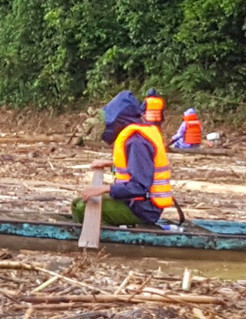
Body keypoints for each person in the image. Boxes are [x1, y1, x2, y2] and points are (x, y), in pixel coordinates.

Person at [74, 90, 176, 227]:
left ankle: (105, 241)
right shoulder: (136, 137)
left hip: (142, 208)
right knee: (77, 202)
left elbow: (140, 186)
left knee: (82, 207)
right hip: (136, 202)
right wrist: (112, 164)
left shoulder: (136, 142)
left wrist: (105, 189)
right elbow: (138, 166)